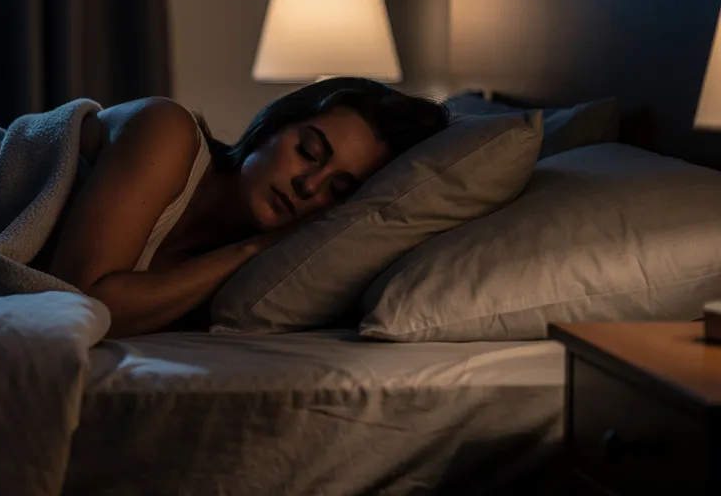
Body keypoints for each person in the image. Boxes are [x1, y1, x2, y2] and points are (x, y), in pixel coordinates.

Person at [37, 77, 449, 338]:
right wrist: (250, 249)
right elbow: (76, 302)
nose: (308, 185)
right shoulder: (166, 131)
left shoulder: (256, 281)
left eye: (338, 190)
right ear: (273, 126)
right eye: (308, 152)